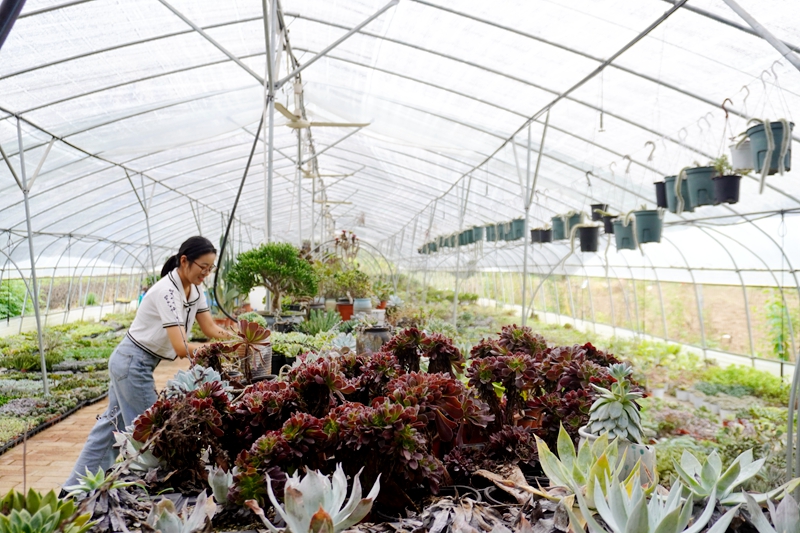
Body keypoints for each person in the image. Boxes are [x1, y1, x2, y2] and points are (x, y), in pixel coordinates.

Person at [63, 236, 233, 489]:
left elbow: (209, 328)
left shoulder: (195, 290)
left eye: (211, 269)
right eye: (203, 268)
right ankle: (150, 492)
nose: (206, 274)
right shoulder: (167, 291)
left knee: (109, 430)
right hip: (132, 363)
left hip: (132, 363)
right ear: (185, 261)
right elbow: (181, 346)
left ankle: (72, 491)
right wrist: (222, 349)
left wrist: (240, 338)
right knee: (154, 436)